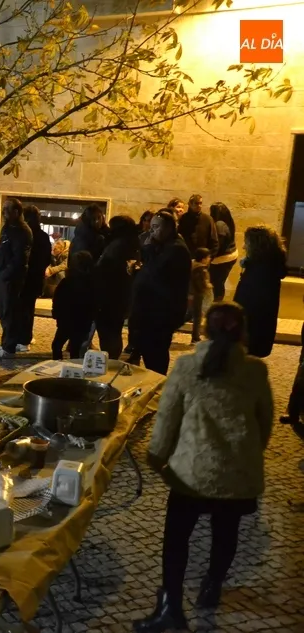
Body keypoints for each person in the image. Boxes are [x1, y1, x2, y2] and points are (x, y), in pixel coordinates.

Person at [134, 302, 272, 633]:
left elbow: (167, 418)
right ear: (242, 332)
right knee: (226, 532)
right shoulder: (255, 370)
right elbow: (264, 422)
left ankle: (171, 607)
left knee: (177, 538)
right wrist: (247, 455)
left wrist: (156, 457)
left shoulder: (186, 366)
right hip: (237, 474)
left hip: (191, 473)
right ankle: (212, 585)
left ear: (205, 330)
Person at [128, 210, 192, 374]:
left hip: (160, 312)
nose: (151, 230)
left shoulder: (176, 249)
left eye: (156, 227)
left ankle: (158, 383)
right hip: (151, 310)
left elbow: (156, 272)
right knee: (148, 350)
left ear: (169, 228)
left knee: (155, 355)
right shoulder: (164, 245)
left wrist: (148, 248)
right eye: (151, 226)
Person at [233, 224, 287, 358]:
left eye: (246, 242)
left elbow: (249, 302)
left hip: (251, 329)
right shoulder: (269, 265)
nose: (244, 247)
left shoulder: (260, 271)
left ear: (256, 245)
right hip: (259, 329)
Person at [0, 198, 31, 360]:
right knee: (3, 312)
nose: (4, 212)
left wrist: (6, 274)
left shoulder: (22, 231)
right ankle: (5, 343)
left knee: (9, 313)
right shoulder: (8, 227)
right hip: (2, 276)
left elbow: (20, 258)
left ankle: (9, 347)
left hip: (11, 279)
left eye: (7, 209)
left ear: (16, 212)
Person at [93, 215, 140, 359]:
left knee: (109, 331)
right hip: (120, 295)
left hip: (111, 295)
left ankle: (110, 359)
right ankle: (111, 357)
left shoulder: (119, 246)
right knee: (114, 330)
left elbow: (108, 269)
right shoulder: (129, 243)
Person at [18, 205, 52, 351]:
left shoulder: (24, 233)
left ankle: (22, 338)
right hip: (35, 277)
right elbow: (47, 258)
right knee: (29, 308)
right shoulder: (43, 236)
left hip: (24, 277)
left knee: (21, 308)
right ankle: (26, 337)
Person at [52, 252, 96, 360]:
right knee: (75, 349)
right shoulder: (91, 282)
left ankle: (57, 364)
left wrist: (57, 314)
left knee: (57, 345)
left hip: (67, 319)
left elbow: (58, 299)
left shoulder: (68, 281)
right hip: (82, 321)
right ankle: (73, 366)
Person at [209, 202, 239, 301]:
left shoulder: (219, 224)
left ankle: (217, 302)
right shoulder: (227, 221)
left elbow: (218, 244)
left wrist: (210, 257)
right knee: (219, 281)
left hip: (222, 258)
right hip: (230, 254)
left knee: (216, 283)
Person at [177, 193, 219, 257]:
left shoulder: (207, 219)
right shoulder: (183, 219)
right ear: (190, 204)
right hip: (186, 257)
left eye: (200, 203)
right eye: (196, 203)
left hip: (203, 258)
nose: (199, 206)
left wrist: (210, 257)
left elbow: (214, 240)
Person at [189, 248, 212, 344]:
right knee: (197, 316)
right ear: (203, 259)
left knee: (189, 314)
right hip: (197, 294)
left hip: (190, 293)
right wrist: (208, 286)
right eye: (208, 257)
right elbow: (201, 283)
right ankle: (195, 337)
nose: (209, 259)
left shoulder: (191, 265)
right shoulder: (201, 269)